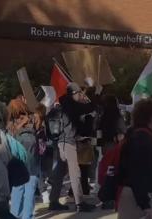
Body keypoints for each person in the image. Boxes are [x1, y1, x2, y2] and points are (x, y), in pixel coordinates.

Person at [48, 82, 96, 212]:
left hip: (58, 143)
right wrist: (94, 93)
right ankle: (79, 203)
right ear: (73, 93)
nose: (80, 95)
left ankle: (53, 201)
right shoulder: (72, 106)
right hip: (68, 143)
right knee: (75, 173)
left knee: (59, 173)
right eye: (79, 93)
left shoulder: (62, 105)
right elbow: (90, 107)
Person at [7, 100, 47, 219]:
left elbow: (9, 137)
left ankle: (16, 215)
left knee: (18, 191)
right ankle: (26, 216)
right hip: (31, 163)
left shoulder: (11, 123)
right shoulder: (31, 119)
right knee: (29, 192)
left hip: (18, 164)